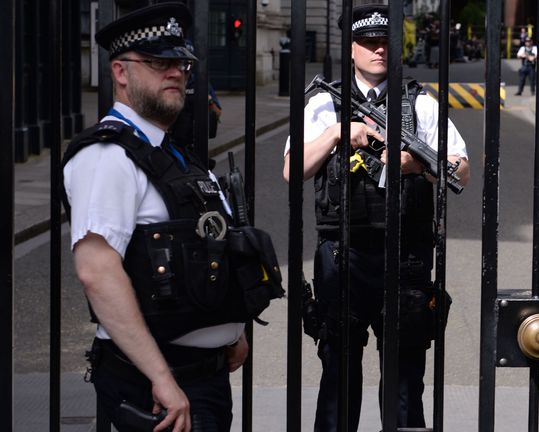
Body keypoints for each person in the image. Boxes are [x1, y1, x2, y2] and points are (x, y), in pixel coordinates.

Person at [62, 3, 281, 431]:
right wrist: (160, 377)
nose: (177, 72)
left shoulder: (170, 152)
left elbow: (204, 251)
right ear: (121, 72)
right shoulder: (108, 156)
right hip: (158, 385)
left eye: (180, 63)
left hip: (202, 377)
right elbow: (96, 272)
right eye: (159, 63)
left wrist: (230, 332)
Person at [282, 5, 469, 431]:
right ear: (350, 48)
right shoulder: (322, 105)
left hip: (407, 256)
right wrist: (335, 134)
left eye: (385, 41)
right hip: (342, 255)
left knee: (405, 384)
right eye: (368, 43)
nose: (379, 49)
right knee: (338, 378)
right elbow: (292, 169)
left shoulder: (420, 103)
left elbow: (462, 168)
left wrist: (415, 164)